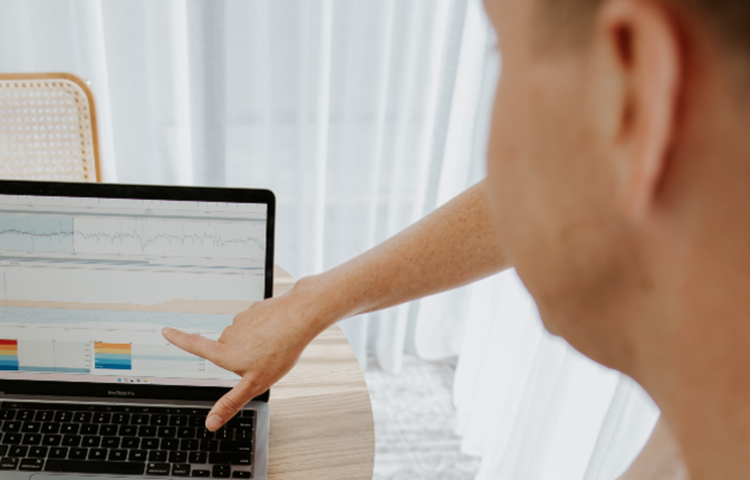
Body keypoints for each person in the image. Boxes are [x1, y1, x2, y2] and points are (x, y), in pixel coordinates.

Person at [164, 0, 750, 477]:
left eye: (504, 53)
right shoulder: (698, 430)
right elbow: (560, 177)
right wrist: (310, 302)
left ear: (632, 95)